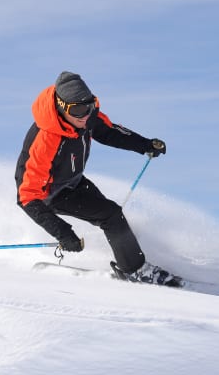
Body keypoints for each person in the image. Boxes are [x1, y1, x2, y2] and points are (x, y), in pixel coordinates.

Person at [15, 71, 180, 286]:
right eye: (78, 110)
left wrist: (145, 145)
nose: (85, 115)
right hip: (49, 193)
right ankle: (135, 270)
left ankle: (128, 253)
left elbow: (109, 132)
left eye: (89, 107)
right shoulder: (46, 139)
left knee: (110, 215)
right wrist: (62, 232)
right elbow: (27, 196)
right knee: (111, 214)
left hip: (73, 180)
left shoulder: (86, 117)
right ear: (61, 106)